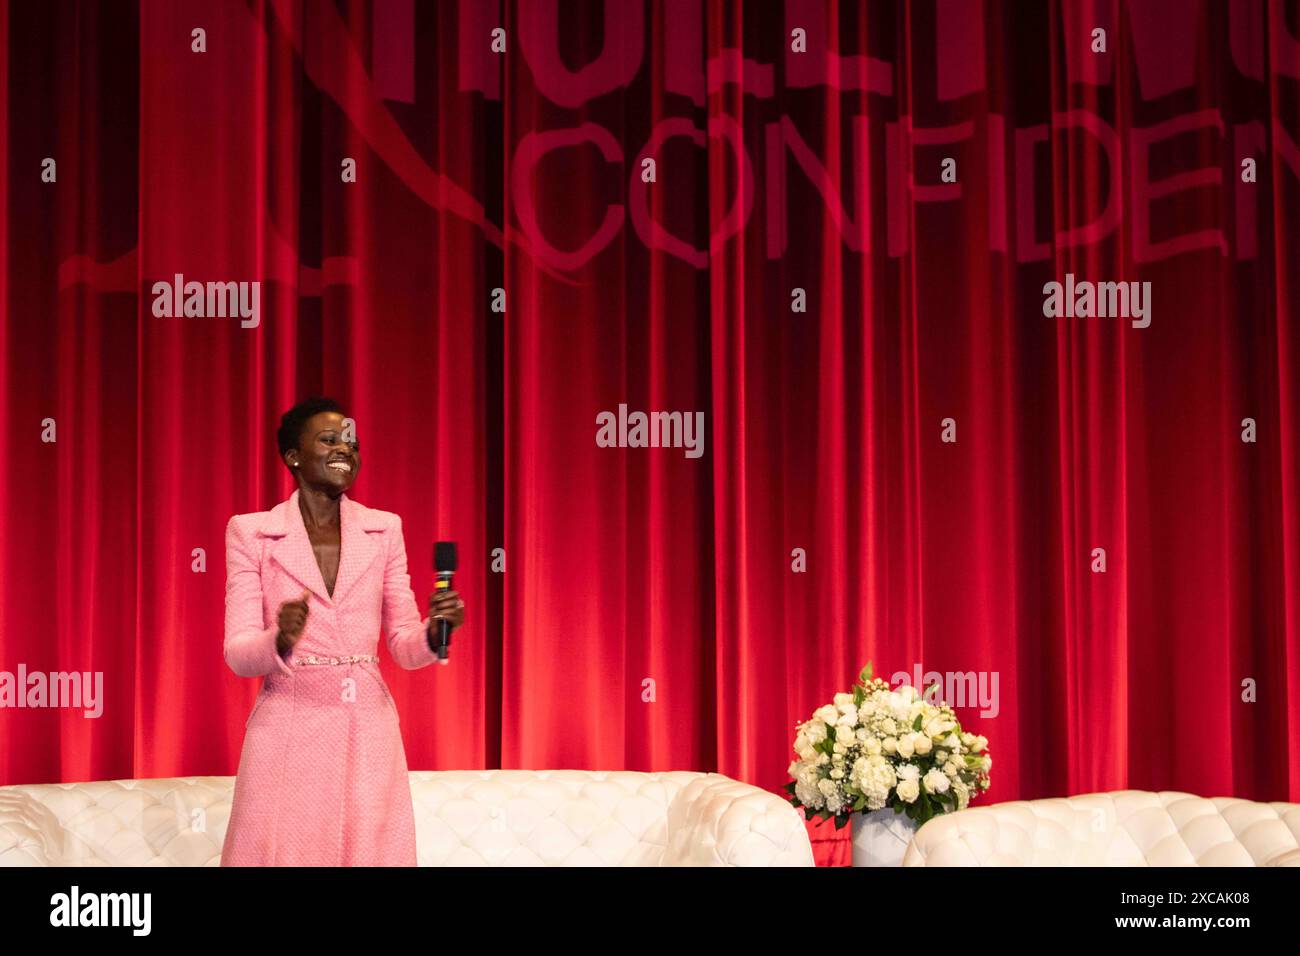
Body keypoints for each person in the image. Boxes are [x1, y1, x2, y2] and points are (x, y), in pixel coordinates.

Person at [220, 396, 464, 866]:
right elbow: (236, 651)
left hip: (367, 729)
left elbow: (403, 644)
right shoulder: (252, 533)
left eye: (350, 443)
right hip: (287, 727)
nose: (344, 450)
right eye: (329, 440)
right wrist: (280, 640)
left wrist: (436, 632)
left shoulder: (383, 529)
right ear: (293, 456)